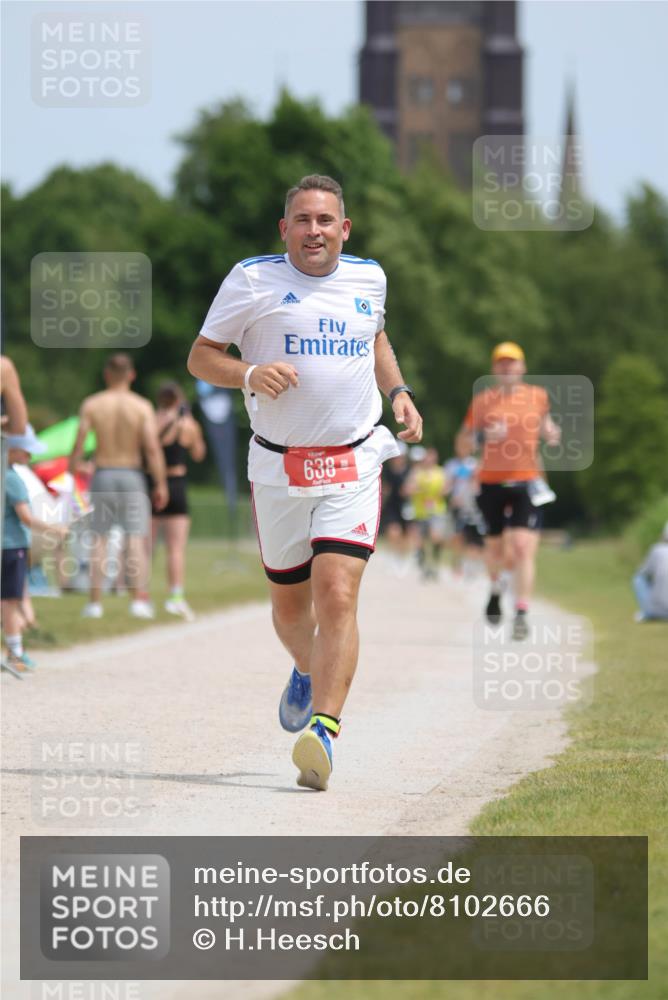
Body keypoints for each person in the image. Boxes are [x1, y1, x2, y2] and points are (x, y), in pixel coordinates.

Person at [188, 174, 423, 790]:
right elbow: (201, 355)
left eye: (325, 221)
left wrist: (397, 391)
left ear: (343, 229)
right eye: (302, 220)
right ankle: (304, 668)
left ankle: (323, 731)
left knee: (337, 595)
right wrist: (249, 374)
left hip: (353, 460)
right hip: (278, 464)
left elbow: (375, 336)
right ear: (284, 228)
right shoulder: (252, 280)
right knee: (291, 610)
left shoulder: (369, 278)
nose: (314, 231)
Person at [456, 342, 561, 640]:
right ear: (494, 369)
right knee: (495, 549)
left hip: (527, 480)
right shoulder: (482, 402)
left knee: (522, 548)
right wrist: (482, 435)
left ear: (522, 368)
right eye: (501, 363)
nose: (507, 368)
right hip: (490, 481)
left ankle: (522, 612)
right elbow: (462, 445)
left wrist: (551, 433)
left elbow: (545, 426)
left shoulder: (538, 397)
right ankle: (495, 588)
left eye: (512, 363)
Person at [69, 353, 168, 619]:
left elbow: (79, 442)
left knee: (99, 538)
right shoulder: (141, 406)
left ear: (106, 374)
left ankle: (94, 603)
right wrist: (160, 482)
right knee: (135, 538)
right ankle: (137, 601)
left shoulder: (93, 403)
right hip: (132, 474)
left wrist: (73, 468)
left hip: (103, 473)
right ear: (132, 375)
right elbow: (151, 447)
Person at [2, 425, 68, 677]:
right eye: (27, 452)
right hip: (12, 546)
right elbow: (26, 518)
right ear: (14, 450)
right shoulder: (13, 480)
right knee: (10, 601)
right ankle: (15, 652)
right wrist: (53, 529)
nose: (30, 457)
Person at [151, 381, 206, 622]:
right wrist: (190, 420)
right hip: (177, 483)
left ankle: (141, 596)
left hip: (152, 484)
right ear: (178, 400)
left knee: (146, 545)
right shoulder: (187, 424)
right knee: (175, 547)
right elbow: (198, 453)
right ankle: (175, 596)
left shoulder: (151, 421)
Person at [405, 446, 448, 580]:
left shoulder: (440, 472)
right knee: (420, 541)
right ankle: (424, 565)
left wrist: (441, 491)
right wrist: (416, 489)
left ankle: (435, 561)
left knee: (436, 537)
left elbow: (446, 489)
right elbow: (407, 489)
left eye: (431, 457)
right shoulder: (417, 472)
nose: (429, 460)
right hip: (420, 511)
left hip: (437, 510)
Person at [380, 444, 411, 574]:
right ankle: (394, 555)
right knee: (394, 531)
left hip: (406, 506)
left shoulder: (409, 471)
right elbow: (385, 488)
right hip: (392, 505)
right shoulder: (387, 471)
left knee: (405, 535)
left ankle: (402, 557)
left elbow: (412, 486)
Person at [633, 522, 668, 622]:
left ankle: (647, 613)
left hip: (657, 611)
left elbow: (642, 572)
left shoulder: (657, 550)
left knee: (638, 578)